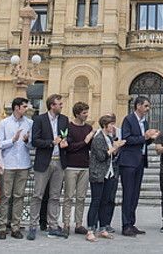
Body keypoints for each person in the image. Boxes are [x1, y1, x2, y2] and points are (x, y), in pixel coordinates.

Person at [28, 93, 69, 240]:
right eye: (59, 104)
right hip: (44, 161)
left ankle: (53, 225)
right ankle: (32, 226)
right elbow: (35, 141)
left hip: (59, 161)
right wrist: (51, 142)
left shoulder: (64, 119)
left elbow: (66, 135)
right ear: (52, 105)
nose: (62, 106)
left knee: (55, 196)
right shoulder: (39, 119)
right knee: (38, 195)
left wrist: (65, 142)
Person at [120, 95, 160, 236]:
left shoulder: (145, 122)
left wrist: (151, 138)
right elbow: (126, 139)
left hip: (140, 161)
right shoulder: (128, 120)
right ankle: (126, 225)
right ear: (138, 106)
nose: (148, 109)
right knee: (128, 193)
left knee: (135, 194)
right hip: (128, 162)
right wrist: (145, 137)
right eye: (146, 106)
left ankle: (131, 222)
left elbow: (143, 142)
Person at [0, 97, 32, 239]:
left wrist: (27, 140)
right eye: (24, 106)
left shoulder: (30, 123)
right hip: (8, 164)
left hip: (23, 164)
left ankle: (15, 226)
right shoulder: (4, 123)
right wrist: (13, 140)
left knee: (19, 196)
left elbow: (32, 145)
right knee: (5, 196)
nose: (26, 109)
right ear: (17, 107)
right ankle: (1, 226)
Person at [87, 114, 125, 240]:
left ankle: (103, 227)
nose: (113, 127)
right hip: (98, 173)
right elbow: (101, 156)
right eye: (111, 125)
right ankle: (90, 229)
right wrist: (114, 147)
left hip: (109, 173)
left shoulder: (109, 137)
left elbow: (111, 154)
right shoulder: (98, 138)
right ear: (105, 125)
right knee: (96, 201)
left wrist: (117, 147)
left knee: (105, 201)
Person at [63, 101, 94, 237]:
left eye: (87, 112)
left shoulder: (88, 128)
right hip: (71, 165)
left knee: (81, 197)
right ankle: (66, 223)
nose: (86, 115)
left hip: (85, 165)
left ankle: (79, 224)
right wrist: (85, 142)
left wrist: (91, 140)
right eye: (84, 113)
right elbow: (69, 147)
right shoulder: (69, 127)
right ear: (77, 114)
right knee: (68, 196)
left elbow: (90, 147)